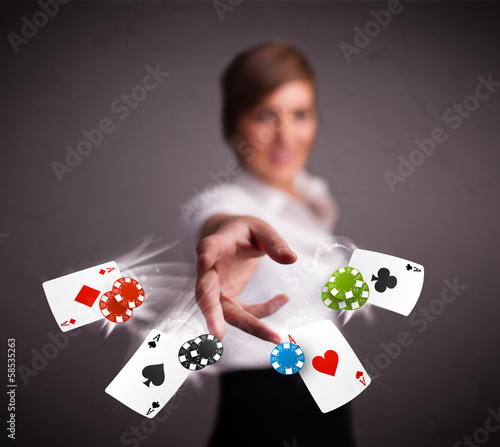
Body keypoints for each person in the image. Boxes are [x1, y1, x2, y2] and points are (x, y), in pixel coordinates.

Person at [183, 41, 356, 446]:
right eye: (265, 114)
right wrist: (230, 231)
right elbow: (223, 222)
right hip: (264, 406)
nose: (286, 135)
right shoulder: (223, 202)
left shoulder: (316, 199)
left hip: (332, 394)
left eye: (300, 114)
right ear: (233, 124)